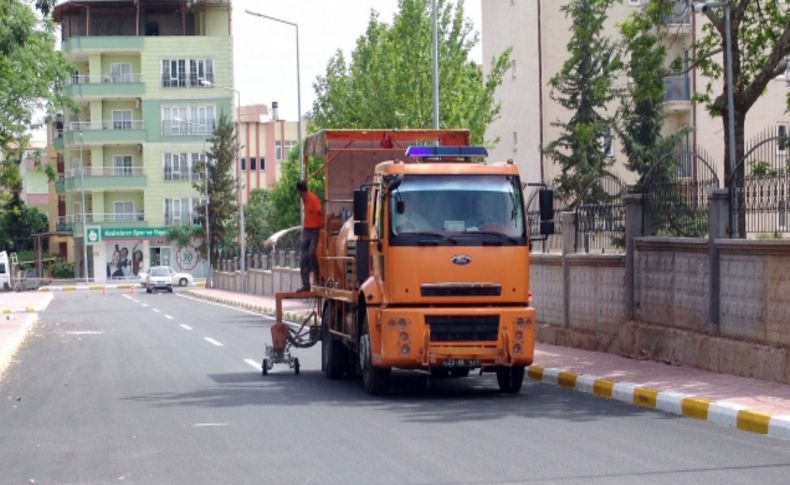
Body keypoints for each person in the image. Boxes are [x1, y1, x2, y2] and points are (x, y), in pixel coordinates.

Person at [296, 180, 322, 292]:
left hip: (315, 229)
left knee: (311, 252)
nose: (300, 196)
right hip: (307, 229)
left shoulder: (312, 198)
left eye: (300, 194)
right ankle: (306, 285)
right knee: (303, 257)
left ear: (301, 191)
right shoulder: (304, 199)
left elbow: (321, 210)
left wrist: (323, 223)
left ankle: (317, 275)